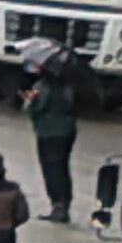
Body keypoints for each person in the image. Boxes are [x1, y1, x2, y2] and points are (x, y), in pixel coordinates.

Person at [19, 41, 83, 223]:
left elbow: (36, 109)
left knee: (51, 169)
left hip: (48, 133)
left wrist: (29, 100)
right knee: (63, 167)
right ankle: (64, 204)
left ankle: (58, 206)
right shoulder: (70, 86)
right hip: (67, 132)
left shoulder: (43, 87)